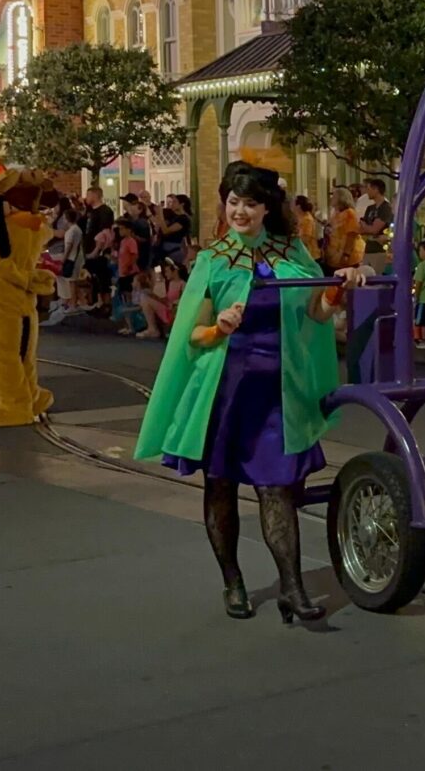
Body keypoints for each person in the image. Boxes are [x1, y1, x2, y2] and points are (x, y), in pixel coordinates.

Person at [133, 162, 358, 623]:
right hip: (226, 390)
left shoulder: (292, 251)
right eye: (233, 202)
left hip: (278, 393)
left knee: (277, 489)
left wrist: (340, 289)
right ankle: (232, 582)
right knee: (221, 487)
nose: (239, 211)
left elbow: (316, 312)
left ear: (266, 208)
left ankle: (292, 588)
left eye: (250, 203)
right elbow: (190, 335)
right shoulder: (213, 260)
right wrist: (220, 326)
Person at [139, 259, 184, 340]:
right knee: (145, 298)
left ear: (175, 271)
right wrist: (155, 297)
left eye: (167, 271)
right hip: (167, 308)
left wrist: (175, 303)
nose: (165, 274)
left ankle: (158, 329)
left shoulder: (182, 284)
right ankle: (152, 328)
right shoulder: (168, 283)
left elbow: (184, 299)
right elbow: (166, 299)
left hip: (175, 310)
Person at [325, 186, 364, 272]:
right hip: (334, 258)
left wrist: (346, 255)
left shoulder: (350, 214)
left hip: (347, 258)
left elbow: (351, 235)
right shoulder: (335, 214)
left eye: (334, 196)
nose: (331, 198)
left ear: (341, 198)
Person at [360, 178, 395, 261]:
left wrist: (365, 226)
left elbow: (374, 229)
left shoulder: (385, 208)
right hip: (369, 248)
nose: (367, 192)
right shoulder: (370, 208)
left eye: (368, 189)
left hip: (380, 249)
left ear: (376, 190)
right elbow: (361, 228)